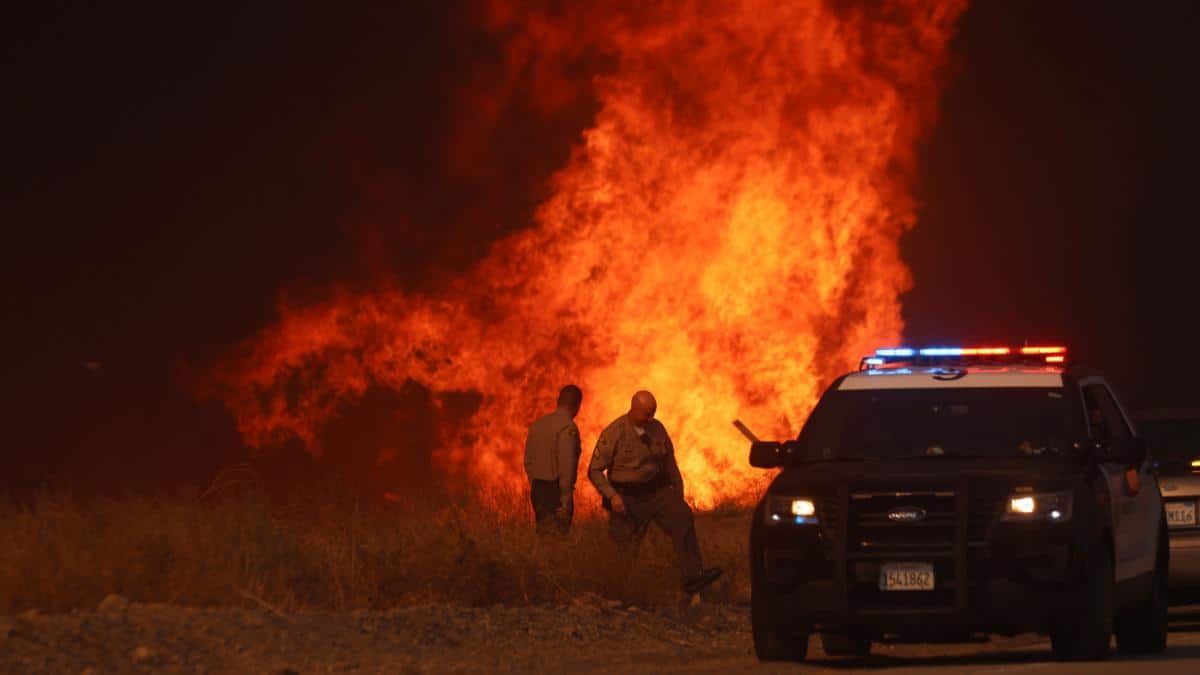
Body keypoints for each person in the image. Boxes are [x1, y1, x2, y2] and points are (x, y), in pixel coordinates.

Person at [588, 390, 723, 595]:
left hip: (657, 492)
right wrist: (612, 496)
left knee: (682, 518)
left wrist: (678, 492)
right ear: (633, 409)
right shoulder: (615, 432)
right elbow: (595, 470)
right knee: (625, 544)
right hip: (627, 496)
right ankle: (618, 591)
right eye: (646, 414)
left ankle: (693, 577)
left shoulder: (657, 428)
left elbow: (669, 462)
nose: (650, 418)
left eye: (653, 413)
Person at [524, 384, 584, 535]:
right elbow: (567, 466)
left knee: (543, 534)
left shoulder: (538, 425)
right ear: (577, 405)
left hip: (538, 489)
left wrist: (535, 483)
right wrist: (565, 499)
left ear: (558, 401)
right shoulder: (568, 428)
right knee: (558, 540)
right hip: (556, 492)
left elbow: (528, 461)